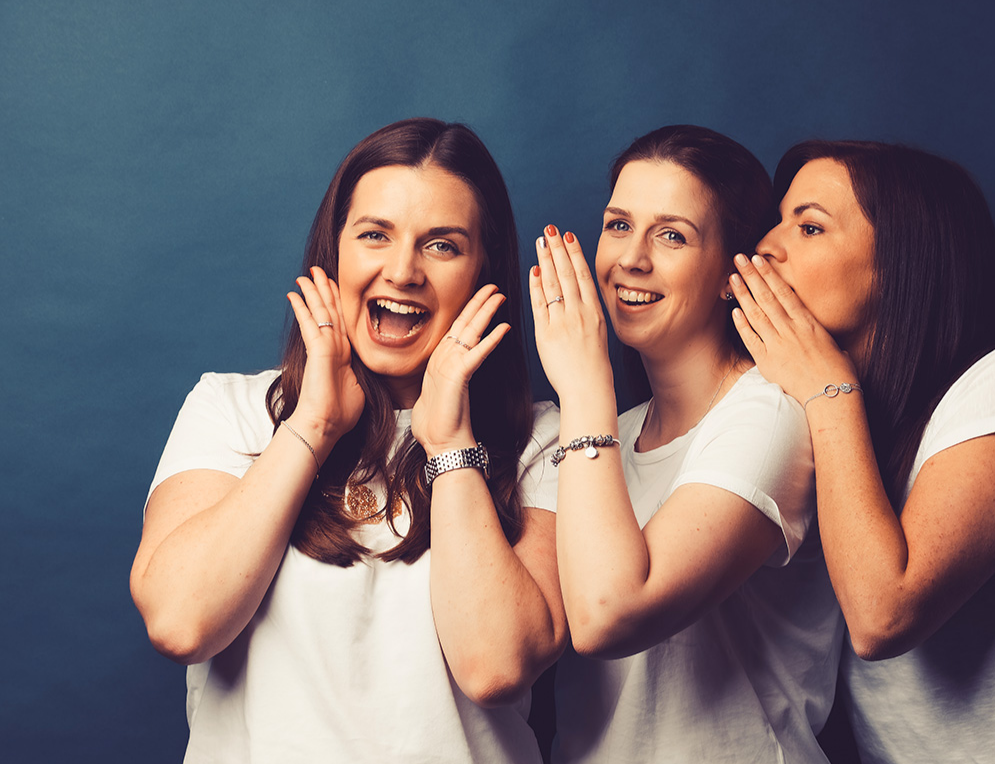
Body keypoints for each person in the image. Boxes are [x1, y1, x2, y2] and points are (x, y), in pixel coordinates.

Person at [130, 118, 567, 763]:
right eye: (375, 235)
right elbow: (180, 623)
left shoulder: (544, 438)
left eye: (441, 246)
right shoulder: (229, 408)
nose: (403, 270)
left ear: (484, 270)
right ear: (334, 251)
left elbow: (496, 668)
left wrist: (450, 443)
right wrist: (312, 426)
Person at [729, 139, 995, 763]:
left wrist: (828, 393)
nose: (766, 248)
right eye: (777, 222)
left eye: (809, 227)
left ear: (902, 262)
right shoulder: (825, 422)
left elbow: (883, 616)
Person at [530, 125, 843, 764]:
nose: (631, 258)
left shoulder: (771, 415)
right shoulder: (607, 436)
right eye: (619, 225)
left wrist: (584, 384)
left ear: (733, 272)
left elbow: (608, 615)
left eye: (672, 235)